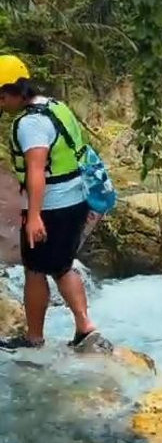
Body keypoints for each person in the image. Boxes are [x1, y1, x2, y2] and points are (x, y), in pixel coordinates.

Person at [0, 54, 111, 353]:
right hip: (75, 200)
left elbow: (36, 171)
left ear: (12, 92)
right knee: (55, 267)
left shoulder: (30, 124)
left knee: (44, 269)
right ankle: (77, 328)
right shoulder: (54, 106)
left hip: (51, 207)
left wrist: (34, 216)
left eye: (0, 97)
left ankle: (46, 336)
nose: (1, 104)